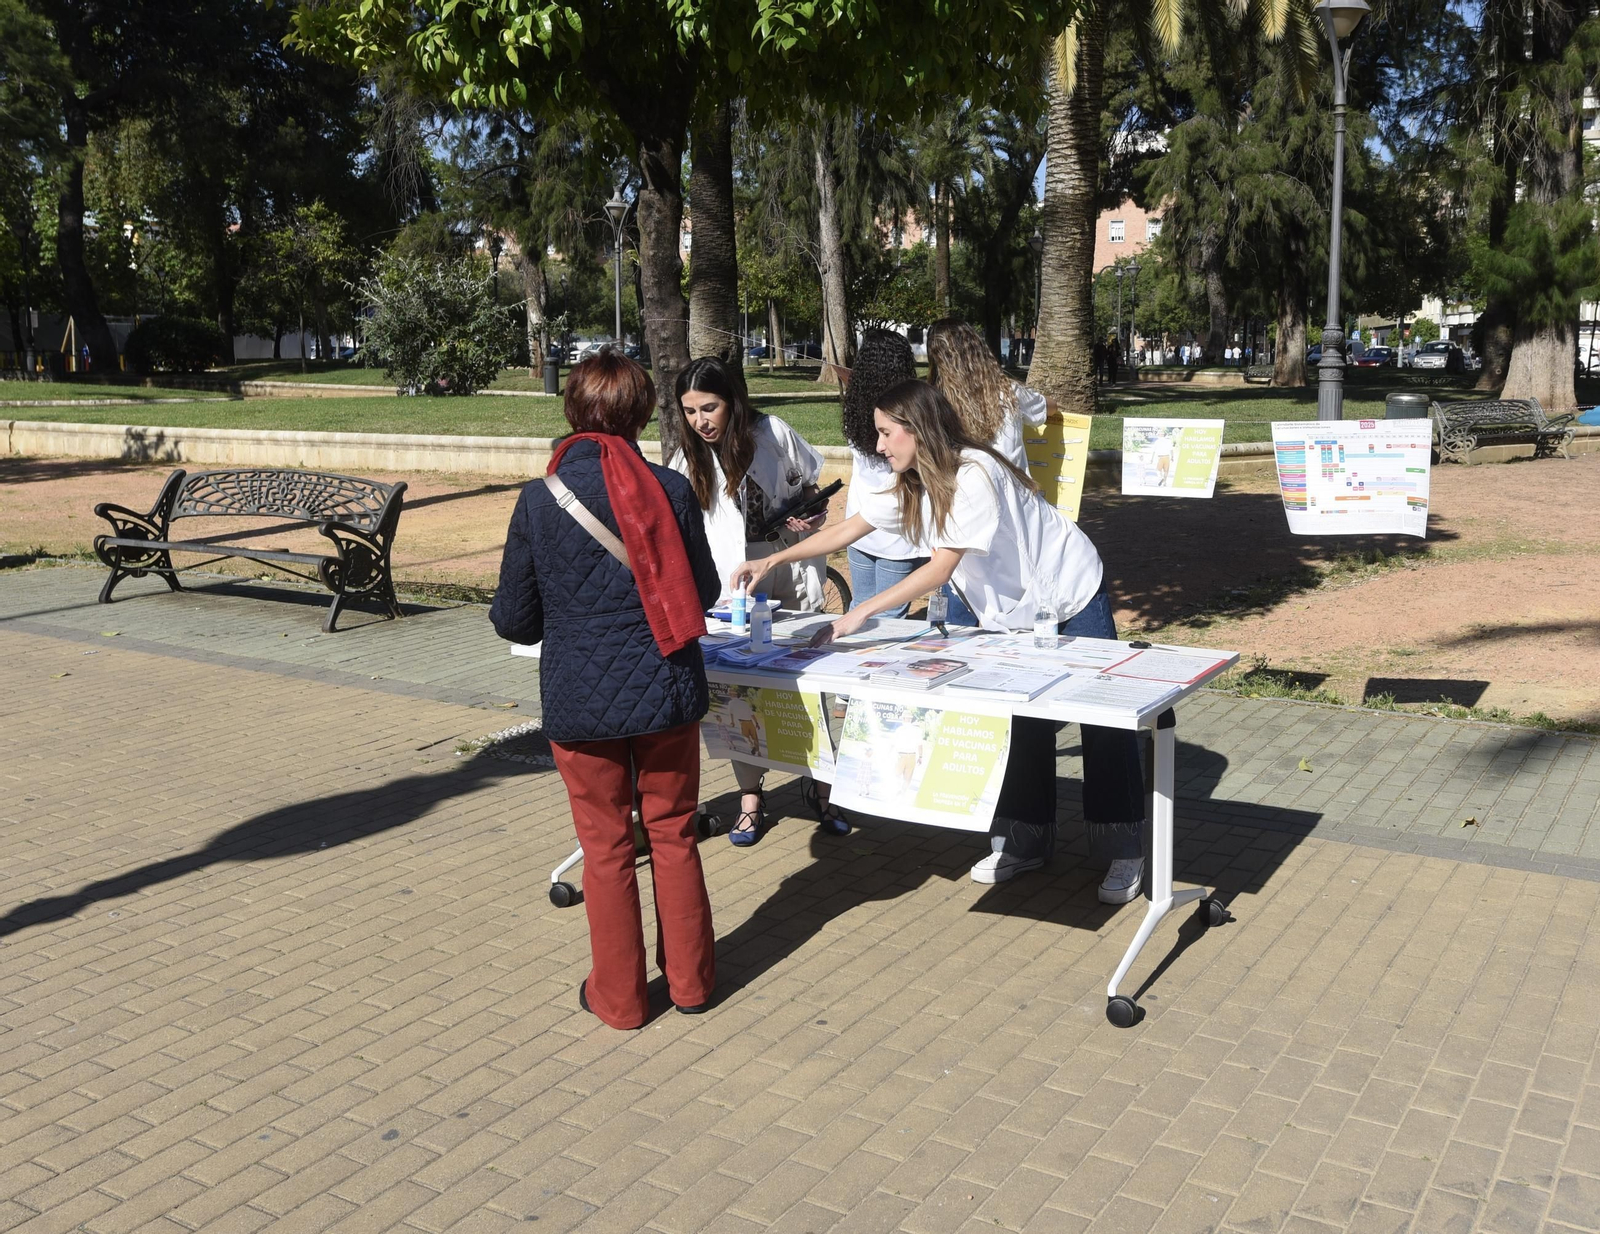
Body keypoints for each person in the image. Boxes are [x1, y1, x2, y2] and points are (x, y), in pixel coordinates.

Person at [730, 379, 1147, 902]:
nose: (878, 446)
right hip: (1007, 610)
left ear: (917, 429)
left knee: (1103, 721)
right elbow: (848, 529)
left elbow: (939, 567)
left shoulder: (974, 472)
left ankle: (1122, 850)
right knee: (1013, 719)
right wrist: (772, 558)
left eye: (886, 433)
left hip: (1069, 592)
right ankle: (1024, 840)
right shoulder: (911, 478)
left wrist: (857, 614)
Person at [490, 349, 721, 1029]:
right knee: (674, 834)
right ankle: (691, 983)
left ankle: (619, 1001)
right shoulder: (671, 491)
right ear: (642, 413)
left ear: (574, 411)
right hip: (666, 690)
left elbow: (515, 616)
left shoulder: (539, 501)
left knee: (607, 849)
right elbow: (700, 592)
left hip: (580, 700)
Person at [668, 355, 835, 846]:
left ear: (734, 401)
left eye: (710, 408)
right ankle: (750, 797)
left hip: (787, 562)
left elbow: (814, 492)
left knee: (807, 677)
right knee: (738, 688)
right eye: (691, 411)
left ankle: (822, 787)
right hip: (732, 580)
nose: (700, 421)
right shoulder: (687, 455)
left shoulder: (773, 433)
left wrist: (811, 518)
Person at [841, 329, 926, 617]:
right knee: (887, 615)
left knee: (861, 606)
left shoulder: (855, 406)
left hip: (860, 523)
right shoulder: (909, 413)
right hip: (894, 531)